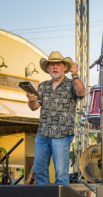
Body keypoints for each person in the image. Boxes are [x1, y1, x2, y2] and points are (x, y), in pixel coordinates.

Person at [26, 51, 85, 186]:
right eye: (52, 65)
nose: (55, 67)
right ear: (47, 69)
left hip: (62, 134)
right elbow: (34, 107)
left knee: (61, 174)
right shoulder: (43, 85)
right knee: (39, 171)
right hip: (42, 135)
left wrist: (75, 76)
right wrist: (31, 100)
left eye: (58, 64)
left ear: (65, 67)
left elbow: (81, 92)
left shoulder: (71, 84)